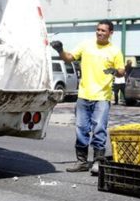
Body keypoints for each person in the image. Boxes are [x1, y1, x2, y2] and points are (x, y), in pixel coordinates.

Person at [50, 20, 125, 175]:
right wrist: (60, 50)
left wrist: (114, 71)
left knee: (99, 129)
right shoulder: (86, 45)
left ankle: (98, 161)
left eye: (103, 30)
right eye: (98, 30)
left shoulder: (114, 51)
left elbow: (121, 70)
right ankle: (82, 162)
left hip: (102, 97)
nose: (99, 33)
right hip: (84, 95)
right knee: (81, 129)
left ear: (111, 33)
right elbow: (69, 58)